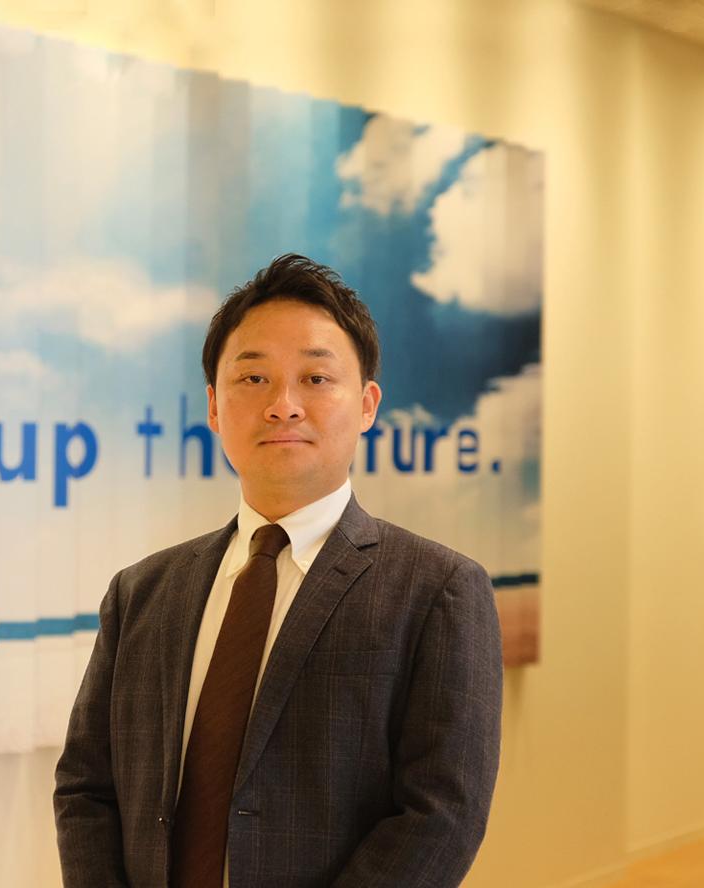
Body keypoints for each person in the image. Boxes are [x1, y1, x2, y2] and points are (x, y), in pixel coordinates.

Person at [54, 254, 503, 888]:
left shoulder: (438, 590)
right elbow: (87, 787)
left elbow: (441, 816)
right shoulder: (142, 592)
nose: (283, 406)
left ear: (368, 404)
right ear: (214, 407)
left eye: (316, 378)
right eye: (254, 378)